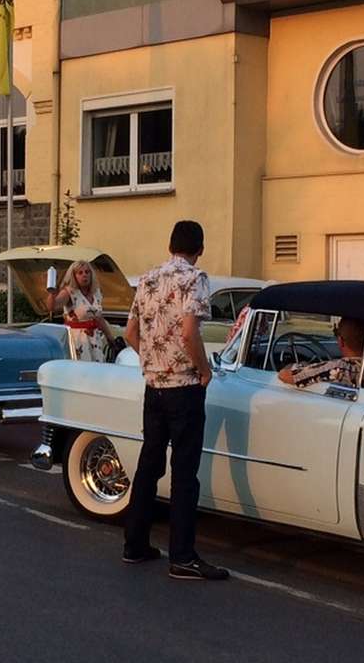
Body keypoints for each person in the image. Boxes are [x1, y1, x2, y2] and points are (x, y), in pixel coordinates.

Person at [121, 220, 229, 581]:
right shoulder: (194, 278)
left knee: (149, 465)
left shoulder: (148, 278)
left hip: (154, 386)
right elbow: (188, 331)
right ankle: (182, 556)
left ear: (170, 245)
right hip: (183, 387)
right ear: (199, 248)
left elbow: (130, 333)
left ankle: (134, 544)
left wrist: (151, 359)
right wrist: (203, 370)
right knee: (185, 473)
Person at [45, 261, 116, 362]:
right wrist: (52, 293)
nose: (84, 275)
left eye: (87, 272)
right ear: (74, 276)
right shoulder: (69, 292)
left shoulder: (96, 293)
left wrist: (110, 338)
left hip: (95, 341)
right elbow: (52, 306)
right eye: (80, 273)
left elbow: (99, 318)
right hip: (77, 341)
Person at [278, 316, 364, 390]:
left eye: (336, 333)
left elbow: (285, 376)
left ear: (341, 341)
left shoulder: (338, 368)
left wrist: (299, 365)